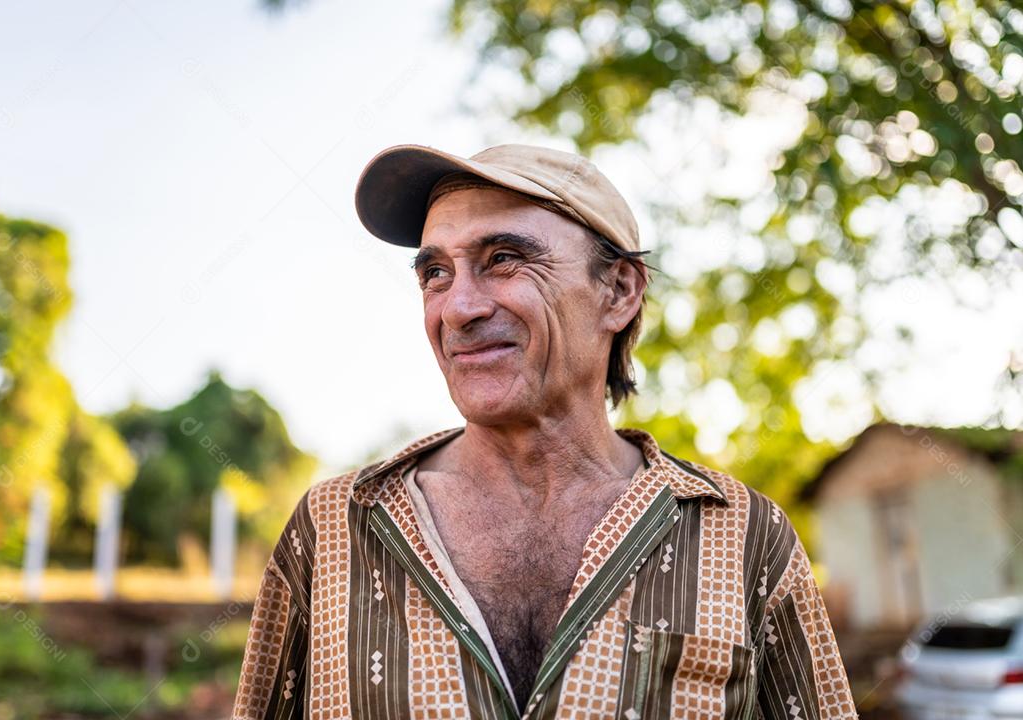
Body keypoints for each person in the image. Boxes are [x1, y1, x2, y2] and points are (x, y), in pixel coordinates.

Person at [230, 143, 857, 719]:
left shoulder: (745, 536)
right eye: (435, 273)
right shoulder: (336, 527)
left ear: (618, 290)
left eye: (504, 260)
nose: (458, 308)